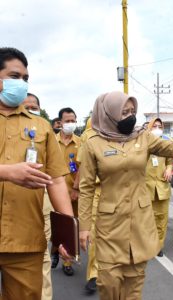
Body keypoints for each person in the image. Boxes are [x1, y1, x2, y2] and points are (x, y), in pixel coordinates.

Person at [78, 91, 173, 300]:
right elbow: (87, 188)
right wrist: (83, 227)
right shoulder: (93, 143)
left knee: (134, 287)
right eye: (124, 112)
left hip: (139, 222)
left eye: (132, 112)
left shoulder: (143, 137)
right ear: (109, 114)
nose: (130, 116)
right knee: (108, 285)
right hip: (109, 225)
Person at [0, 47, 73, 300]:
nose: (21, 84)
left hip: (26, 240)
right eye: (15, 76)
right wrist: (7, 172)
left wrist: (67, 235)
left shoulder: (40, 126)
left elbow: (55, 180)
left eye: (26, 79)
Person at [22, 93, 53, 300]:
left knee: (42, 258)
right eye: (27, 107)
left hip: (40, 205)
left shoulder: (45, 131)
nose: (30, 110)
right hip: (9, 209)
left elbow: (57, 179)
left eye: (34, 107)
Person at [51, 107, 81, 276]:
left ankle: (67, 261)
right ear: (60, 123)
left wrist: (76, 188)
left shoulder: (80, 142)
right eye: (67, 121)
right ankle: (55, 249)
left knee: (72, 226)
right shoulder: (51, 141)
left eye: (73, 120)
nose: (70, 124)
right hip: (55, 192)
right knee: (55, 226)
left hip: (74, 192)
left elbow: (83, 168)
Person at [77, 117, 100, 294]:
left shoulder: (120, 135)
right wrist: (76, 187)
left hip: (117, 193)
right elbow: (82, 165)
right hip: (95, 190)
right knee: (93, 232)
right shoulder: (88, 136)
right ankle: (94, 274)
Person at [145, 117, 173, 257]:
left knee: (161, 220)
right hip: (145, 188)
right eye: (154, 126)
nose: (157, 128)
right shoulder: (143, 144)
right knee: (147, 220)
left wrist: (169, 169)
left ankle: (158, 246)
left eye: (159, 126)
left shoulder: (166, 144)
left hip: (162, 187)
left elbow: (170, 161)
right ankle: (147, 245)